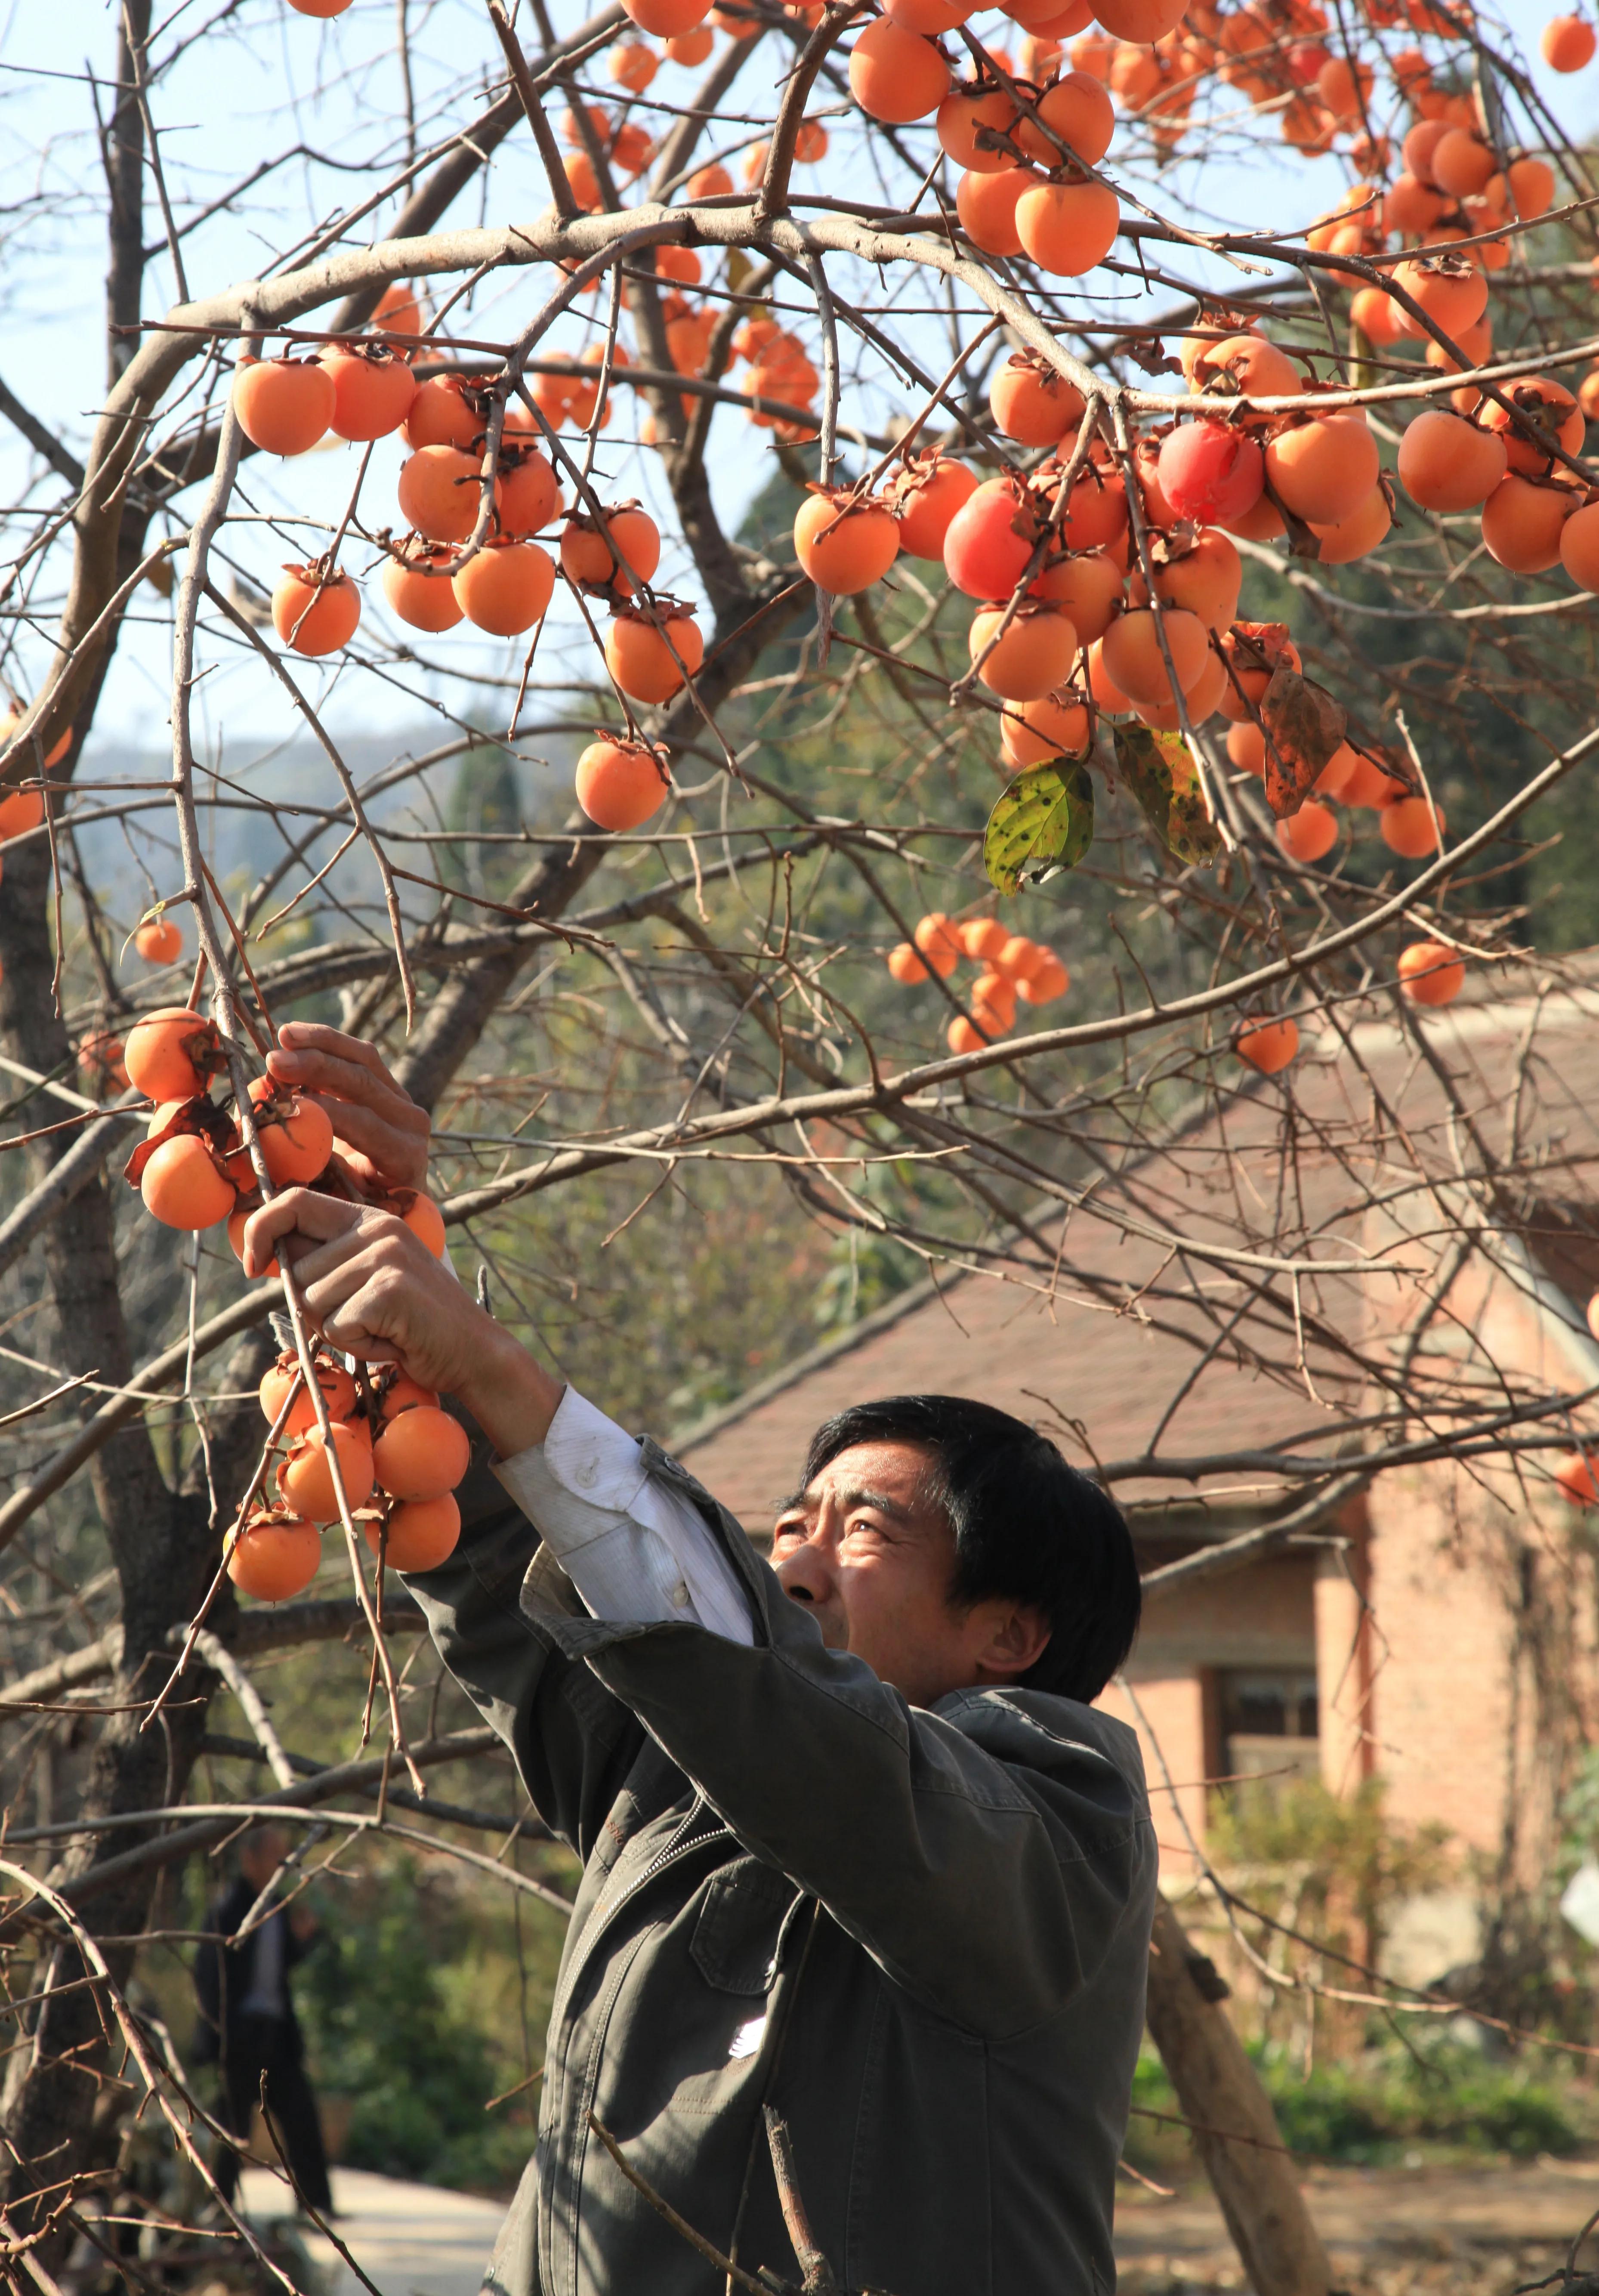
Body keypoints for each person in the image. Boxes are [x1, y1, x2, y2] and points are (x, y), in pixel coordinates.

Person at [242, 1023, 1158, 2296]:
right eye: (790, 1520)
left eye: (865, 1530)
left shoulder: (1063, 1819)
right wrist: (362, 1242)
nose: (793, 1559)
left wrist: (498, 1369)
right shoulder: (677, 1771)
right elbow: (505, 1542)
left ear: (1002, 1635)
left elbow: (817, 1740)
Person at [193, 1821, 333, 2218]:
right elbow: (208, 1978)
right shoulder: (226, 1910)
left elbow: (283, 1963)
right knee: (231, 2126)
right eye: (274, 1854)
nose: (281, 1863)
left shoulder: (280, 1907)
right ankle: (218, 2207)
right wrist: (221, 2034)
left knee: (300, 2116)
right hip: (238, 2036)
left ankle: (315, 2204)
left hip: (277, 2034)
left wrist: (305, 1939)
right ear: (249, 1858)